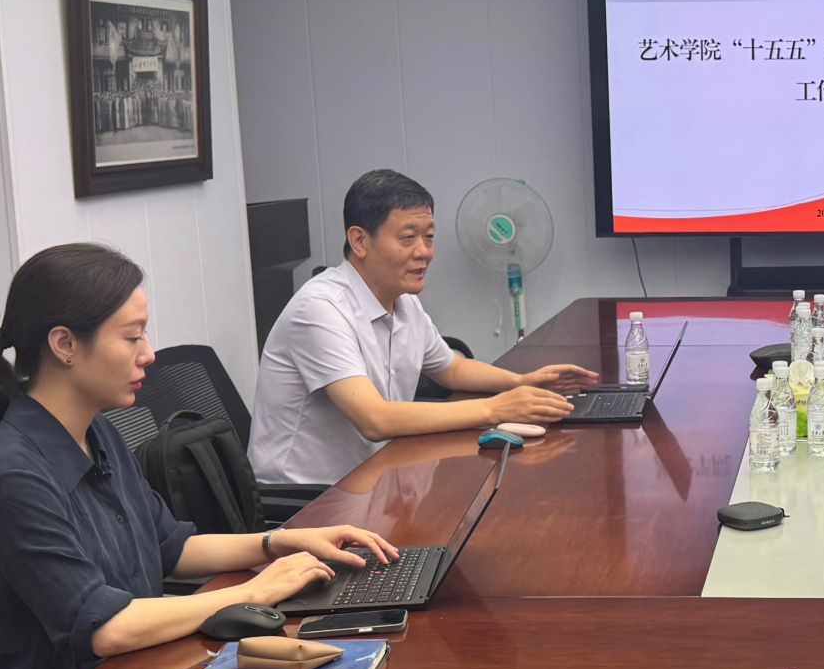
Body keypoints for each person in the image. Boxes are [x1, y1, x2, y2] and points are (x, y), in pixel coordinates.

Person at [0, 244, 397, 669]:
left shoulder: (96, 431)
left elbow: (172, 547)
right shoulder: (13, 473)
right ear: (65, 345)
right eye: (132, 337)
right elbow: (105, 628)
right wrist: (252, 593)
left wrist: (277, 542)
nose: (148, 354)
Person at [250, 170, 598, 486]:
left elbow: (451, 369)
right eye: (408, 238)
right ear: (359, 241)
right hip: (305, 501)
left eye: (429, 237)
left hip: (376, 476)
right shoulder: (320, 309)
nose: (424, 252)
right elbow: (374, 420)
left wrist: (521, 382)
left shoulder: (403, 301)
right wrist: (497, 409)